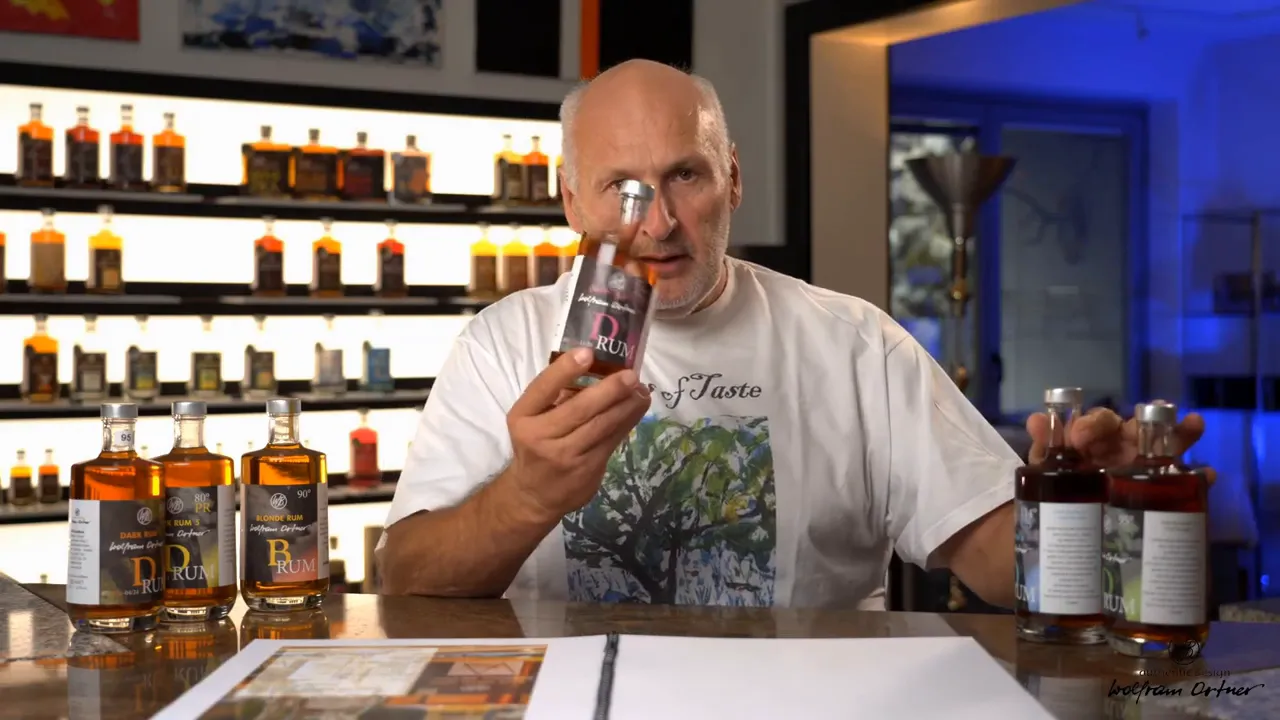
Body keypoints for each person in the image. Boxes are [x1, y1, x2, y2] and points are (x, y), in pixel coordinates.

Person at [377, 60, 1210, 608]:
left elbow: (998, 557)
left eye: (685, 175)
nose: (657, 223)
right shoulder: (503, 344)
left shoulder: (855, 345)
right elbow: (406, 579)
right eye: (621, 190)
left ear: (733, 178)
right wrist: (526, 496)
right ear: (570, 203)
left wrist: (1086, 505)